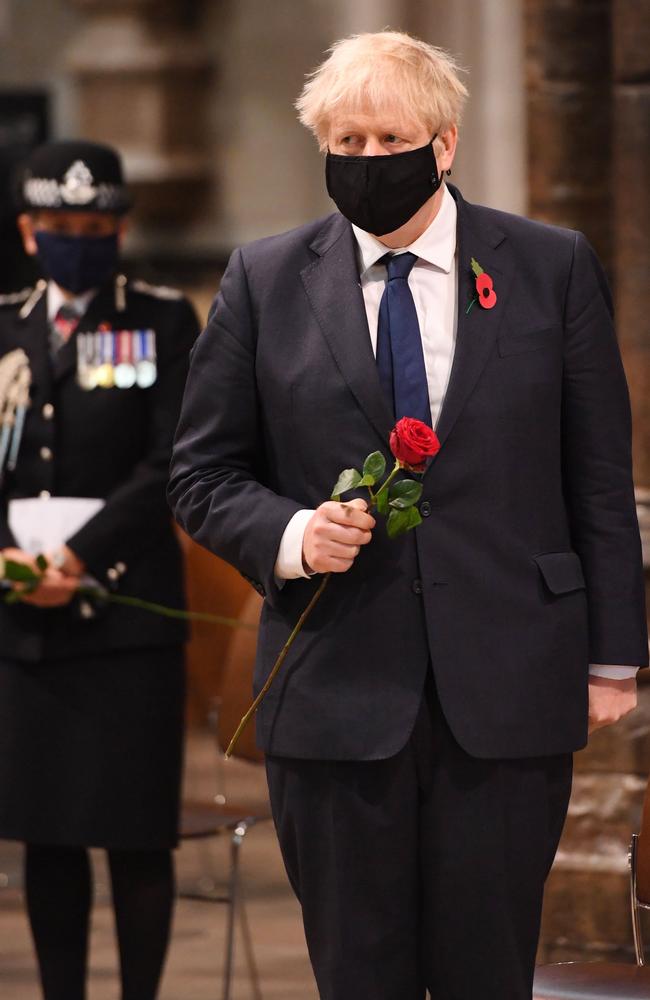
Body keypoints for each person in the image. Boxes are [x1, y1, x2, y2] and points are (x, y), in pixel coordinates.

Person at [169, 31, 648, 1000]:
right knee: (359, 975)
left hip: (504, 683)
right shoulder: (264, 280)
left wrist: (611, 654)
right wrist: (296, 535)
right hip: (335, 690)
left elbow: (596, 474)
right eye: (344, 139)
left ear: (443, 143)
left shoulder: (548, 267)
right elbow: (201, 474)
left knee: (485, 971)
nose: (364, 158)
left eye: (387, 136)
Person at [0, 140, 199, 1000]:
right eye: (60, 226)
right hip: (23, 621)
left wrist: (79, 555)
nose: (79, 239)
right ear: (28, 229)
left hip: (128, 616)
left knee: (135, 835)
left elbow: (174, 462)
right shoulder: (3, 323)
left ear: (120, 227)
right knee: (48, 834)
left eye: (95, 225)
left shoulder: (158, 320)